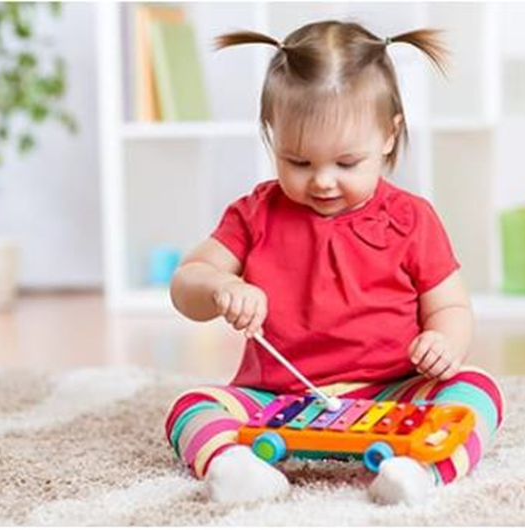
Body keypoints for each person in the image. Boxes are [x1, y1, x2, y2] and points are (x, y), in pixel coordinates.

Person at [166, 20, 503, 505]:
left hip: (391, 396)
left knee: (477, 389)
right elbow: (186, 283)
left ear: (389, 136)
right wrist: (219, 286)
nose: (322, 181)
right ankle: (235, 469)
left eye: (347, 163)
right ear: (271, 135)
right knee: (191, 406)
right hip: (275, 400)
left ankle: (418, 473)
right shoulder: (255, 214)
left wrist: (444, 343)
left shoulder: (411, 219)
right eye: (297, 162)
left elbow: (450, 306)